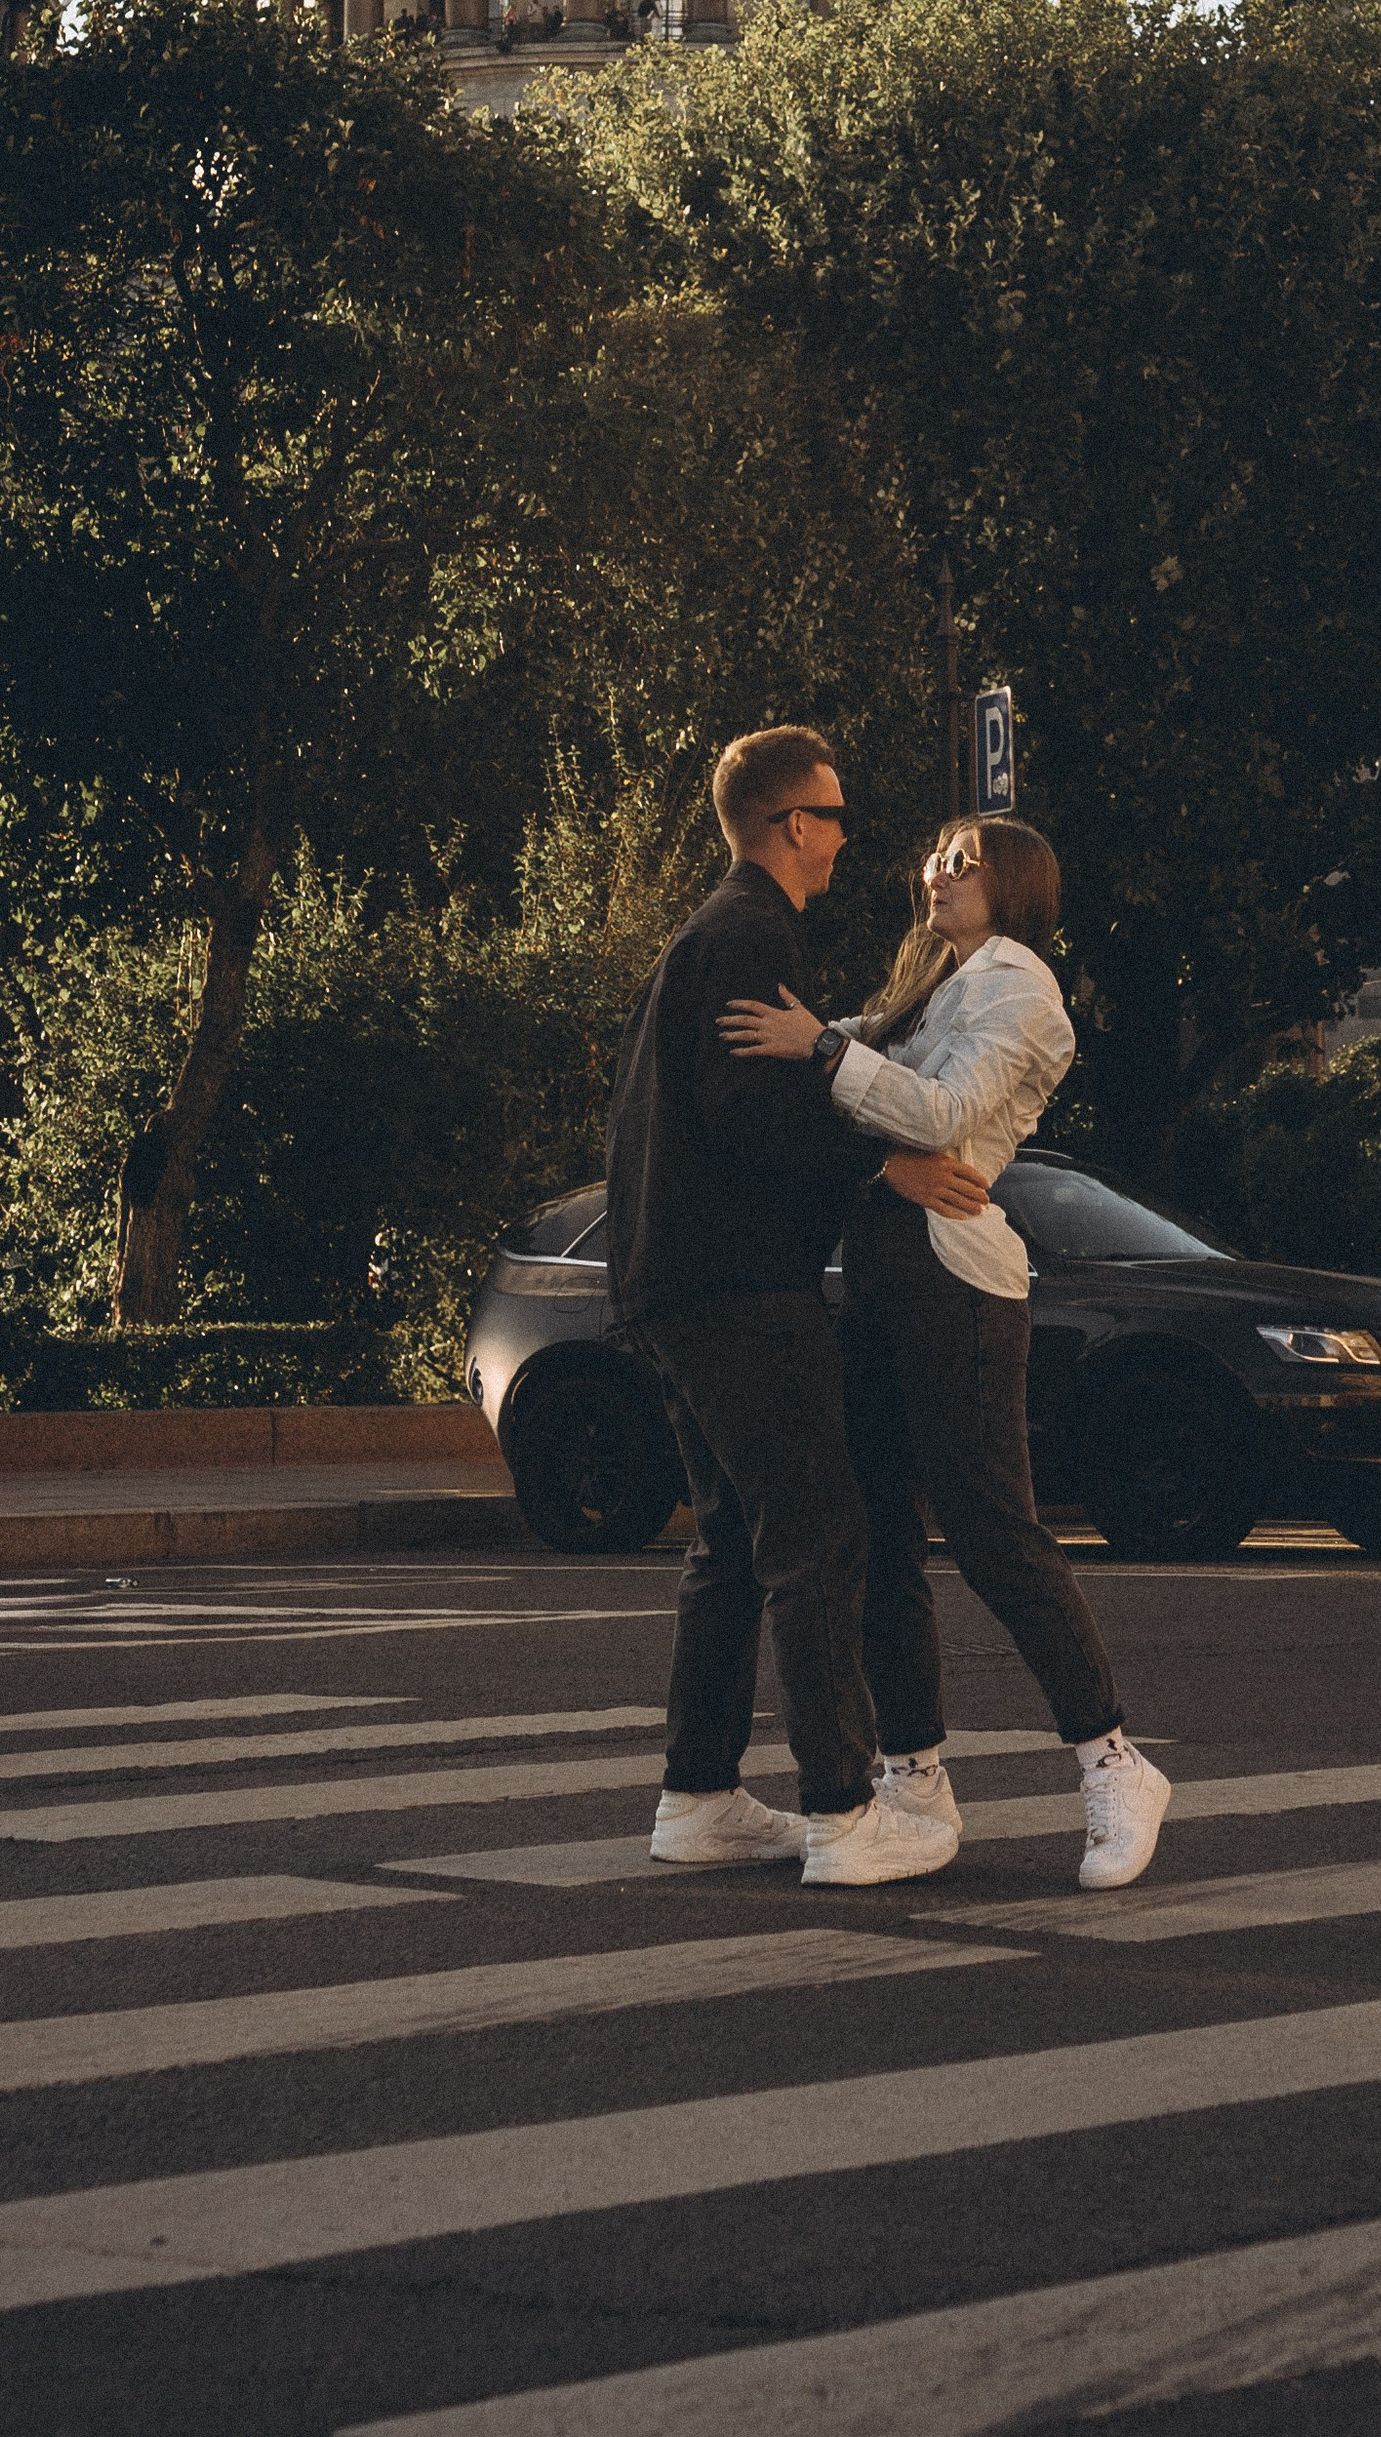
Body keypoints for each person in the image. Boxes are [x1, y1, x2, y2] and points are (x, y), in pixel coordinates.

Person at [720, 814, 1173, 1892]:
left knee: (992, 1533)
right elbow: (846, 1060)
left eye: (964, 861)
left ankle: (1112, 1759)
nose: (938, 872)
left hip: (955, 1284)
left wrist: (822, 1050)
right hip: (880, 1278)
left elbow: (945, 1113)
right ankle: (912, 1778)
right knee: (878, 1536)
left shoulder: (1018, 983)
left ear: (1014, 885)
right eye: (934, 856)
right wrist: (802, 1037)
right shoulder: (934, 985)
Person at [605, 725, 972, 1888]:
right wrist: (882, 1167)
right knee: (818, 1538)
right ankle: (841, 1816)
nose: (846, 837)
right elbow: (747, 1113)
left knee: (729, 1547)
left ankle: (698, 1798)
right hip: (740, 1290)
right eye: (834, 814)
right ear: (788, 826)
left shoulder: (699, 938)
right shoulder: (752, 932)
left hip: (670, 1284)